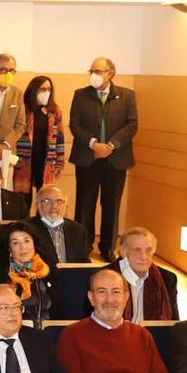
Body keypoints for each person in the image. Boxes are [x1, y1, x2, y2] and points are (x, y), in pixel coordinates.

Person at [71, 57, 138, 259]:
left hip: (115, 159)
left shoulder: (127, 96)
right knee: (85, 204)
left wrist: (110, 145)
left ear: (110, 73)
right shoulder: (81, 95)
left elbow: (131, 125)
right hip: (87, 157)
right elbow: (75, 125)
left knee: (111, 204)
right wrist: (93, 144)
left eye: (98, 71)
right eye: (91, 70)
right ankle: (84, 246)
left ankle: (107, 248)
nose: (94, 75)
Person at [0, 222, 59, 322]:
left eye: (26, 241)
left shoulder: (50, 272)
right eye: (15, 243)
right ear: (9, 248)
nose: (23, 248)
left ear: (34, 244)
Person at [105, 227, 179, 322]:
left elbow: (173, 323)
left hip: (153, 336)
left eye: (148, 250)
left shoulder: (167, 279)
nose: (143, 257)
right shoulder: (102, 278)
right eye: (137, 250)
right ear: (123, 252)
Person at [15, 76, 66, 205]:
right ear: (34, 90)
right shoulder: (23, 109)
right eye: (42, 89)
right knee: (23, 200)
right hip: (24, 162)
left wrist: (59, 162)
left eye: (49, 89)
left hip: (46, 162)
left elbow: (60, 137)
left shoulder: (54, 111)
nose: (46, 92)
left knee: (45, 199)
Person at [27, 185, 92, 264]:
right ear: (38, 205)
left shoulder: (77, 230)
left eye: (59, 201)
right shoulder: (27, 229)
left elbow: (84, 262)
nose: (54, 206)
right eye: (48, 201)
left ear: (65, 206)